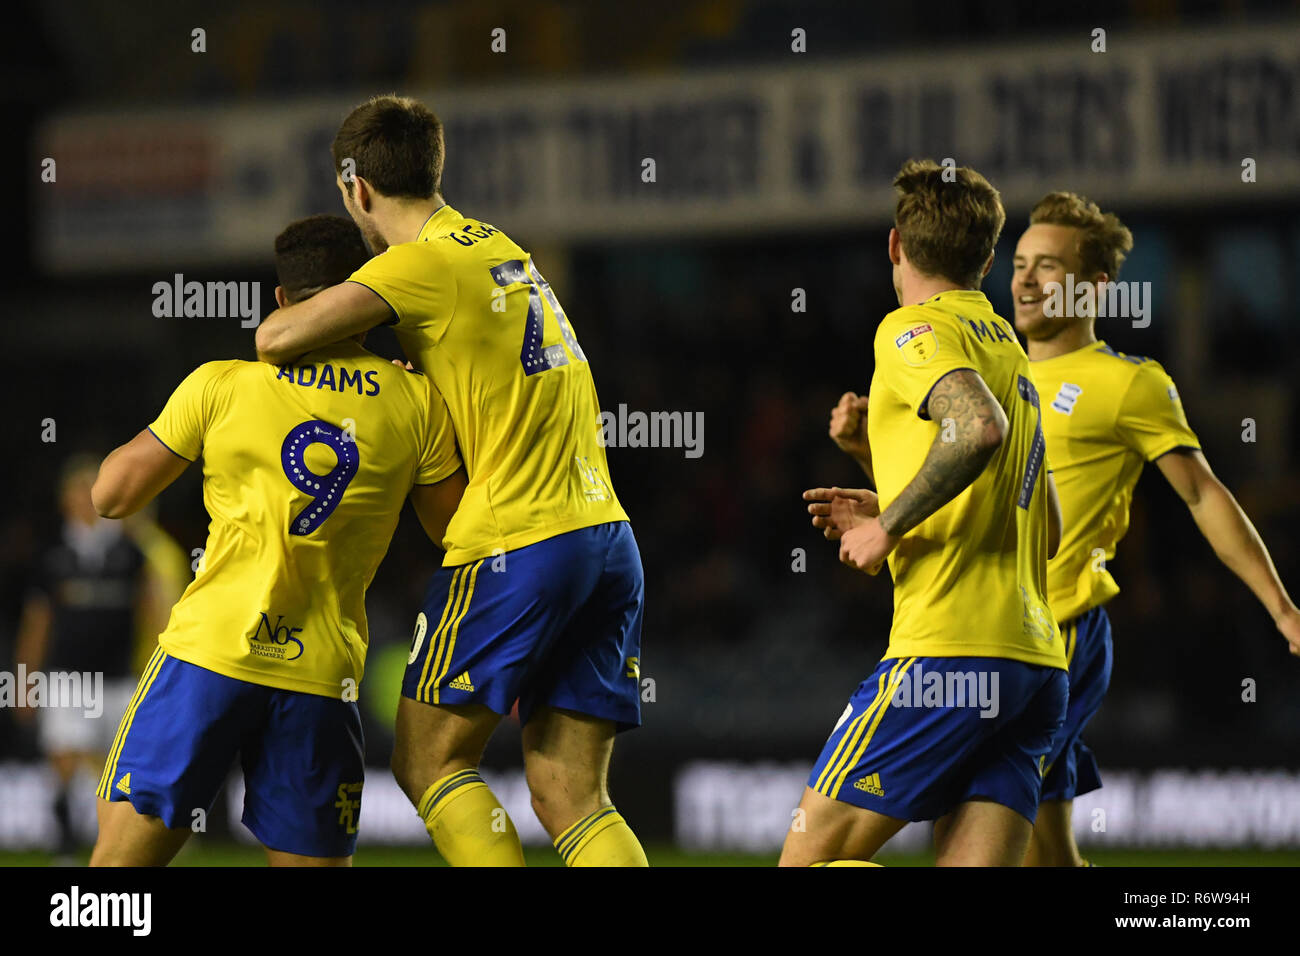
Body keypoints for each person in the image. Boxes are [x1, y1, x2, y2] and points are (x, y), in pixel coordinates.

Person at [255, 94, 647, 867]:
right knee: (572, 795)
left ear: (356, 190)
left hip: (520, 541)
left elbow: (277, 338)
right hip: (607, 540)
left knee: (428, 760)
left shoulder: (420, 263)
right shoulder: (501, 248)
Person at [89, 215, 466, 866]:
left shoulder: (222, 385)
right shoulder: (417, 403)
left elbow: (110, 496)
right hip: (321, 676)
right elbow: (452, 532)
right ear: (363, 295)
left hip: (208, 657)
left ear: (281, 301)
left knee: (115, 881)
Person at [783, 159, 1066, 866]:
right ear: (989, 258)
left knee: (803, 860)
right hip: (1033, 668)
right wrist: (868, 462)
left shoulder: (910, 331)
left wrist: (887, 526)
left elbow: (976, 428)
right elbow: (1047, 526)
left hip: (947, 652)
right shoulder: (1009, 352)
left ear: (894, 246)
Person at [15, 455, 152, 858]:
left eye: (90, 488)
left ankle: (119, 850)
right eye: (76, 490)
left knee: (123, 774)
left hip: (120, 679)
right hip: (69, 681)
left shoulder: (130, 554)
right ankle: (64, 849)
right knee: (64, 762)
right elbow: (37, 624)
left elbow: (153, 615)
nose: (84, 499)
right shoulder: (53, 557)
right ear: (65, 501)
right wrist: (25, 681)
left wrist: (155, 674)